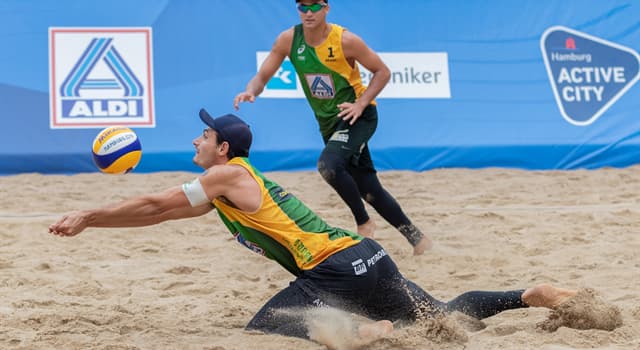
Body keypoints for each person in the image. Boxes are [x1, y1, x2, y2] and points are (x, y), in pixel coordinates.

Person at [49, 109, 577, 346]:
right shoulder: (229, 189)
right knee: (441, 315)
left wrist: (87, 216)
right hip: (367, 257)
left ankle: (360, 333)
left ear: (224, 148)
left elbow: (151, 199)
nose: (196, 140)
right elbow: (159, 213)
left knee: (267, 322)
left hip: (335, 270)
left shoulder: (225, 175)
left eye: (204, 134)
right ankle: (527, 295)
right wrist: (95, 226)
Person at [233, 0, 431, 255]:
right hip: (329, 123)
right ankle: (418, 240)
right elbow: (262, 76)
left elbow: (382, 71)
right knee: (369, 187)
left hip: (358, 116)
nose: (308, 13)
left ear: (326, 8)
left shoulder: (346, 40)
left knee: (328, 165)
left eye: (314, 7)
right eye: (302, 7)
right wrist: (250, 91)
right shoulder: (288, 40)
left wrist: (360, 104)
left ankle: (364, 222)